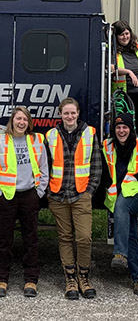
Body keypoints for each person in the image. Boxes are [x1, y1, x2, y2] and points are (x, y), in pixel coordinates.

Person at [46, 97, 102, 300]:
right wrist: (48, 190)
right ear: (60, 115)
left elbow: (96, 165)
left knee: (85, 237)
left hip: (81, 195)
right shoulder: (51, 135)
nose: (69, 116)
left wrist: (90, 191)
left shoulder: (90, 133)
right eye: (65, 113)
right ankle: (70, 279)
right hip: (58, 195)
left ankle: (84, 278)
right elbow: (45, 165)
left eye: (73, 112)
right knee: (65, 237)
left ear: (78, 113)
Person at [0, 107, 49, 298]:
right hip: (7, 196)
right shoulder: (2, 140)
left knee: (31, 239)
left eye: (25, 120)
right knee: (4, 240)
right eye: (18, 119)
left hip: (29, 195)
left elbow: (44, 168)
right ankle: (2, 279)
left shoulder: (36, 140)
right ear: (12, 121)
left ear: (29, 123)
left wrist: (39, 192)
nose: (21, 122)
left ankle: (31, 279)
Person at [102, 113, 138, 296]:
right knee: (130, 234)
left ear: (131, 129)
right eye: (118, 128)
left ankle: (119, 253)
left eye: (125, 127)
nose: (121, 131)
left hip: (137, 193)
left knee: (122, 208)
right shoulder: (107, 146)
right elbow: (105, 170)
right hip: (117, 194)